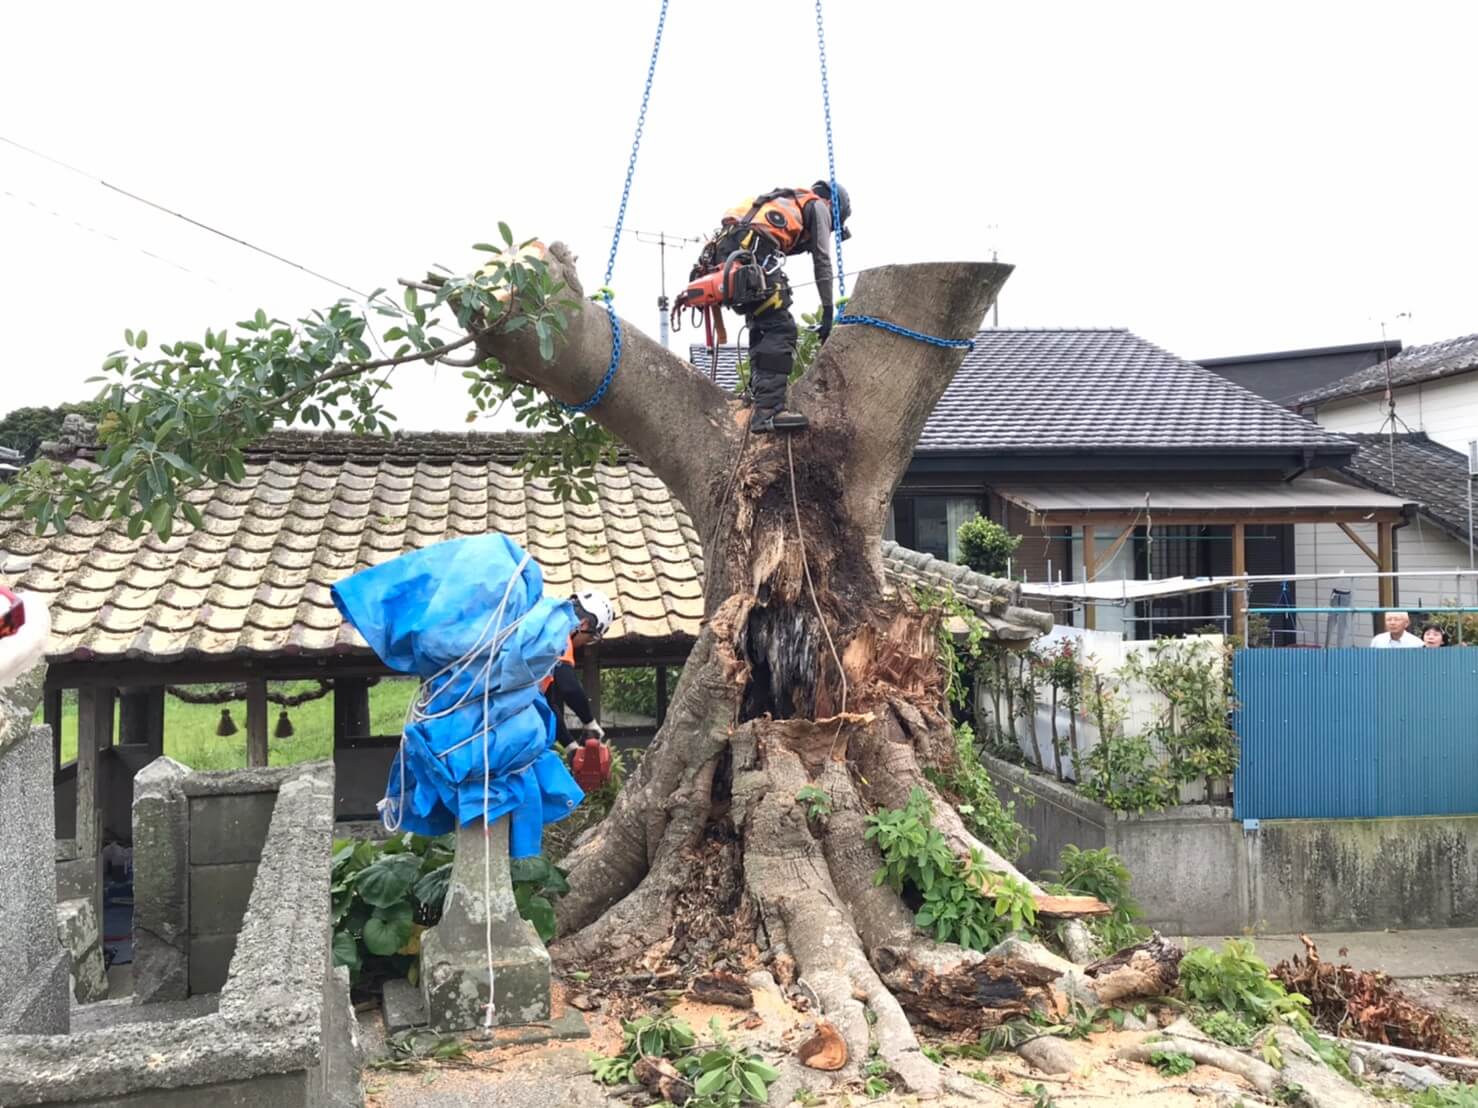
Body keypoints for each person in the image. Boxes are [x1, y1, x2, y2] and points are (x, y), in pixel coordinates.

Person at [689, 181, 851, 434]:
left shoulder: (785, 201)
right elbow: (822, 258)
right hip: (750, 254)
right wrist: (828, 310)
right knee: (781, 328)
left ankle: (759, 399)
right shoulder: (819, 206)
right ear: (833, 205)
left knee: (764, 324)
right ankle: (768, 410)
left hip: (728, 252)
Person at [541, 589, 614, 750]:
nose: (582, 644)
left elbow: (549, 706)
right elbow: (570, 688)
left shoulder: (545, 619)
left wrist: (570, 746)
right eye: (589, 638)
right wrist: (590, 722)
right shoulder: (560, 632)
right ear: (584, 624)